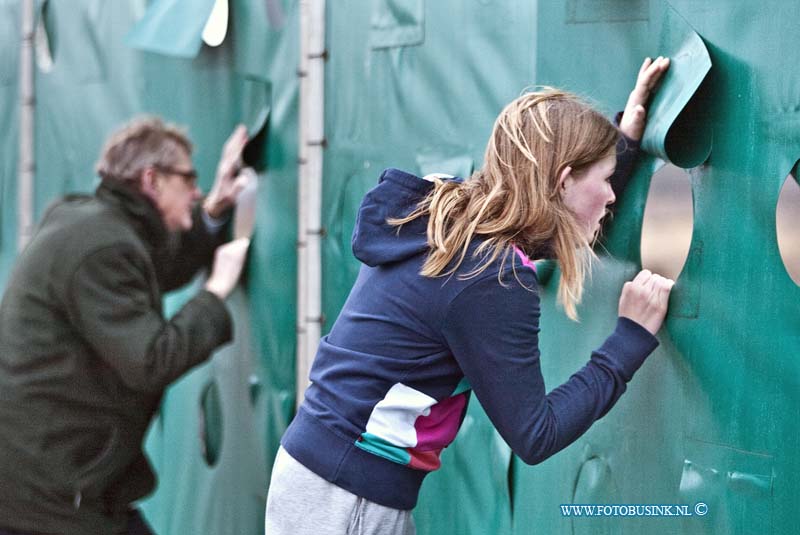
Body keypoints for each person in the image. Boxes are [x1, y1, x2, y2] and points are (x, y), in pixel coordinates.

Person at [264, 57, 673, 535]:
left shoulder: (459, 222)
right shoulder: (492, 276)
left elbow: (550, 224)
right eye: (603, 181)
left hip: (325, 479)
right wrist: (628, 338)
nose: (611, 198)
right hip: (345, 497)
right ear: (563, 180)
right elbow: (536, 434)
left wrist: (622, 143)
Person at [0, 117, 252, 535]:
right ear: (152, 180)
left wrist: (212, 213)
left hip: (50, 480)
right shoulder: (105, 245)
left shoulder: (88, 223)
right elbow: (150, 361)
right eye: (189, 178)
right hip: (54, 494)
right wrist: (213, 293)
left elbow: (149, 269)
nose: (196, 190)